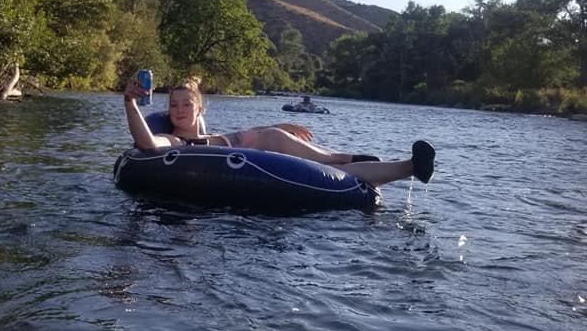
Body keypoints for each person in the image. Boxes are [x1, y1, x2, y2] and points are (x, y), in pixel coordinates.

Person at [123, 77, 436, 188]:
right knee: (333, 171)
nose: (178, 110)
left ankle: (356, 158)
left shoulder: (212, 137)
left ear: (200, 109)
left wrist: (277, 128)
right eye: (173, 105)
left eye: (186, 104)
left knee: (322, 162)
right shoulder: (177, 141)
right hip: (254, 170)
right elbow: (147, 143)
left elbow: (245, 136)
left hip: (263, 156)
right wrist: (130, 103)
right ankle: (409, 168)